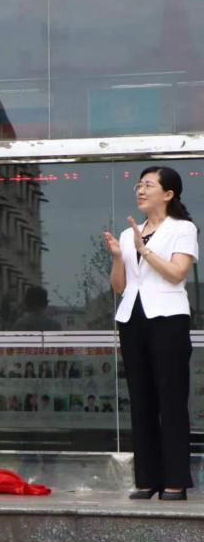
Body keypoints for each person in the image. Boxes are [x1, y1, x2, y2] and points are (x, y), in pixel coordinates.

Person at [103, 165, 197, 501]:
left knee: (170, 400)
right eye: (139, 185)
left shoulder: (183, 228)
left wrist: (143, 250)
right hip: (132, 318)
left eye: (148, 185)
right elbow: (120, 286)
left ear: (168, 194)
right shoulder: (128, 233)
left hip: (168, 319)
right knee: (140, 400)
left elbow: (176, 273)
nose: (140, 191)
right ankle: (146, 479)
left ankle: (175, 481)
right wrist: (119, 256)